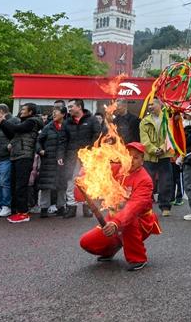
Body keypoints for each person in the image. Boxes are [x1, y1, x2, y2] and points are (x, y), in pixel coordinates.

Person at [79, 142, 161, 271]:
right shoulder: (117, 169)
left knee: (128, 220)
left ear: (142, 160)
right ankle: (112, 248)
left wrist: (116, 223)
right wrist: (84, 177)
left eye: (136, 157)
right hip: (114, 219)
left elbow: (134, 207)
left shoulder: (145, 180)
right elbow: (98, 171)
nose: (131, 160)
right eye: (128, 156)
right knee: (87, 242)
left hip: (138, 222)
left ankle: (138, 258)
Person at [0, 102, 44, 224]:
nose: (21, 111)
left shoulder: (32, 122)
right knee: (14, 185)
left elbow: (16, 129)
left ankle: (23, 213)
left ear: (30, 112)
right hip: (16, 156)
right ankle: (16, 211)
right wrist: (2, 124)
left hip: (25, 156)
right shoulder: (22, 122)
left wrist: (3, 121)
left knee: (21, 185)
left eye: (24, 109)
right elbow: (12, 135)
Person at [63, 99, 102, 219]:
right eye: (68, 107)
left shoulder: (92, 120)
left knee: (88, 181)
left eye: (71, 106)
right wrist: (61, 155)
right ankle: (71, 206)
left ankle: (87, 206)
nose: (69, 109)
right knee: (70, 180)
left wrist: (90, 150)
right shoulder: (67, 122)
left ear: (79, 107)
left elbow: (97, 136)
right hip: (71, 157)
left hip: (88, 157)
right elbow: (63, 140)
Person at [140, 98, 174, 217]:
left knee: (166, 182)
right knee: (147, 183)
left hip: (164, 156)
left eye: (152, 104)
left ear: (160, 105)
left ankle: (165, 206)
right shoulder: (144, 122)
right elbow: (144, 140)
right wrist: (154, 150)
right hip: (149, 157)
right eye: (148, 105)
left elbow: (170, 136)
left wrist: (162, 149)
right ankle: (146, 207)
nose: (150, 107)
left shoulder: (167, 120)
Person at [36, 106, 68, 218]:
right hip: (48, 160)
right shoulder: (48, 127)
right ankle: (44, 208)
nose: (53, 114)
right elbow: (38, 140)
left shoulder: (68, 126)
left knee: (62, 185)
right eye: (53, 112)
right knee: (46, 185)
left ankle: (61, 207)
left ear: (63, 114)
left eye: (56, 112)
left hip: (63, 161)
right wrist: (40, 150)